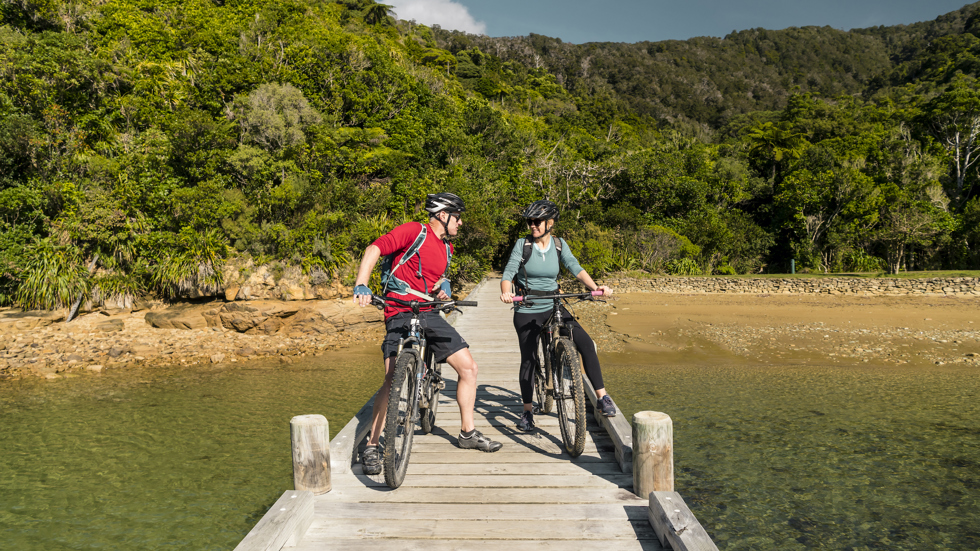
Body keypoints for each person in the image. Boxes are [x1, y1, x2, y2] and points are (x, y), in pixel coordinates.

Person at [353, 192, 502, 475]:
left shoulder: (447, 248)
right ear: (443, 216)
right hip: (399, 310)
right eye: (457, 217)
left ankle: (467, 434)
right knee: (391, 377)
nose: (461, 223)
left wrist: (444, 287)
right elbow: (374, 249)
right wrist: (362, 284)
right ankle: (373, 444)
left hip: (430, 312)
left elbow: (439, 276)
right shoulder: (414, 231)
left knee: (469, 368)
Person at [499, 199, 616, 433]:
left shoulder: (559, 245)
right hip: (528, 307)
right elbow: (510, 270)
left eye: (537, 221)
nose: (532, 225)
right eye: (529, 221)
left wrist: (596, 288)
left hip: (554, 303)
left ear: (550, 223)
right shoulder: (523, 245)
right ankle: (527, 411)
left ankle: (602, 397)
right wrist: (506, 291)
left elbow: (575, 267)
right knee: (529, 359)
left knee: (586, 343)